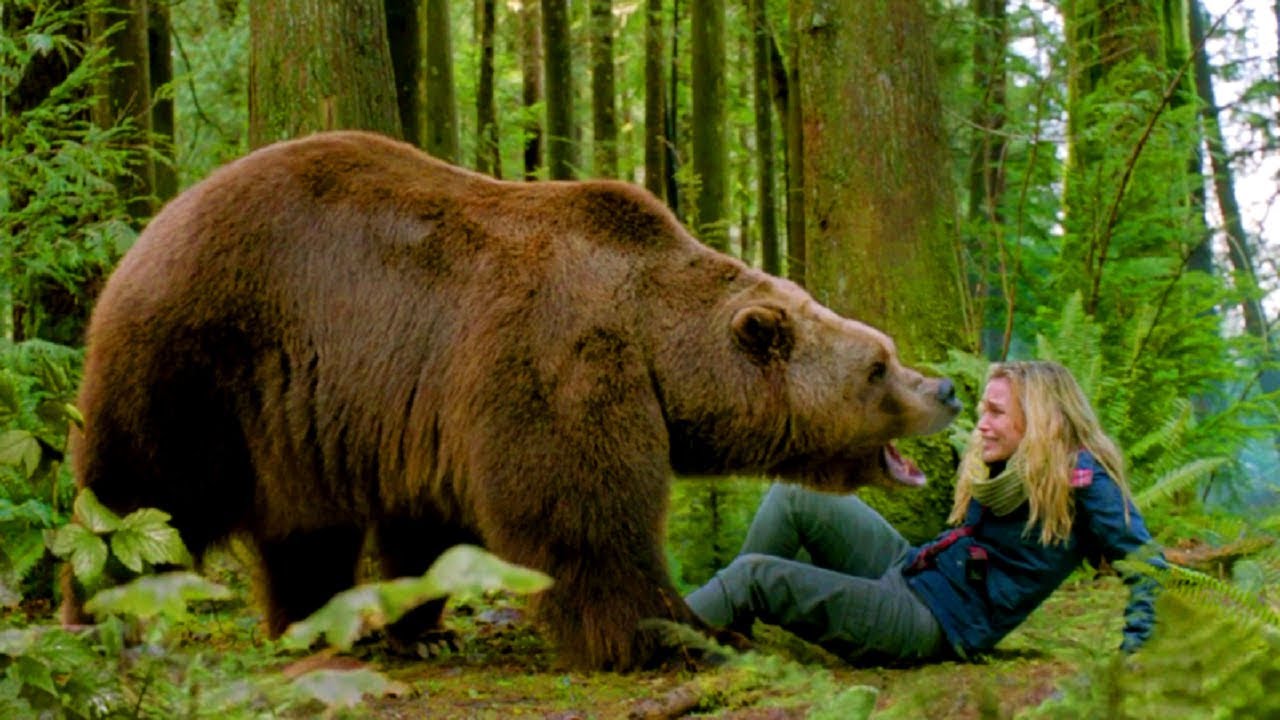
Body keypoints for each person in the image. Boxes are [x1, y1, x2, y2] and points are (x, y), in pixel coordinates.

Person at [685, 360, 1163, 663]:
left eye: (996, 412)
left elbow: (1147, 566)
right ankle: (726, 633)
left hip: (930, 622)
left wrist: (1134, 660)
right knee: (795, 495)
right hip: (913, 569)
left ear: (1041, 421)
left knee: (753, 577)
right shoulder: (1010, 466)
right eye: (982, 411)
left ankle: (654, 644)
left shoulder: (1080, 477)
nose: (982, 425)